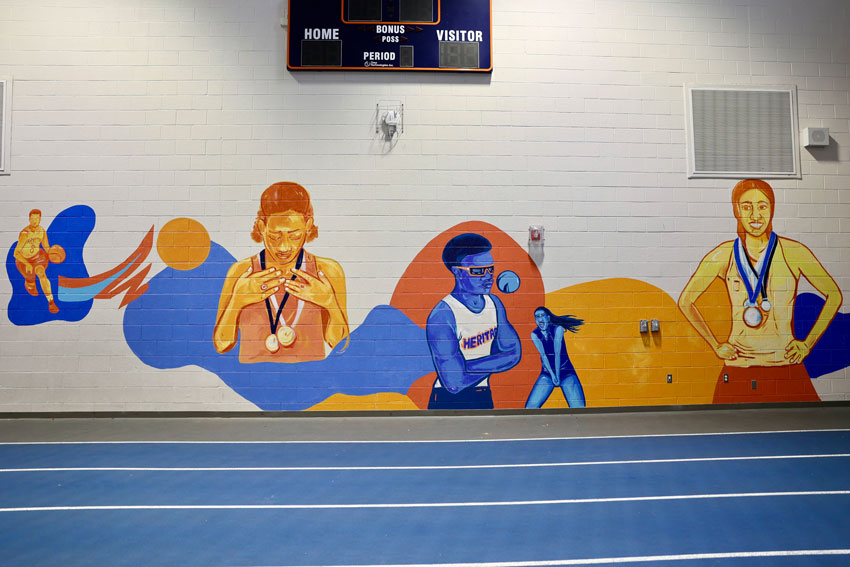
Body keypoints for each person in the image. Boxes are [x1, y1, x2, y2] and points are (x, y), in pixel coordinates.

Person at [678, 179, 842, 403]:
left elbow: (834, 295)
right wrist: (716, 345)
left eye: (762, 206)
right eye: (746, 206)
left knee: (802, 431)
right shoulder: (723, 255)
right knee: (728, 435)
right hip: (738, 367)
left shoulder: (793, 252)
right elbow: (686, 301)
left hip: (786, 366)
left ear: (772, 209)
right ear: (736, 210)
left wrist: (807, 343)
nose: (755, 215)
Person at [214, 182, 348, 363]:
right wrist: (237, 301)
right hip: (253, 381)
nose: (284, 247)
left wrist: (329, 303)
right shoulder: (241, 272)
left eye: (294, 236)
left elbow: (340, 344)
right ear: (262, 227)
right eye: (275, 236)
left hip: (310, 378)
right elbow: (222, 343)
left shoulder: (327, 271)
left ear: (308, 226)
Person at [425, 233, 522, 409]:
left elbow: (514, 354)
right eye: (477, 271)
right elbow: (454, 382)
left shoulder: (494, 303)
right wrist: (496, 360)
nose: (488, 277)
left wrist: (465, 368)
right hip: (448, 399)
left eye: (490, 269)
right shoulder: (443, 315)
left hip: (483, 393)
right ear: (457, 272)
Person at [525, 306, 585, 409]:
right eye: (537, 317)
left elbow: (557, 354)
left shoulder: (558, 329)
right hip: (547, 372)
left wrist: (557, 375)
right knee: (530, 407)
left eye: (542, 316)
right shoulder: (534, 334)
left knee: (578, 407)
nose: (540, 319)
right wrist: (553, 376)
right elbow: (543, 356)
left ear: (548, 318)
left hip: (566, 371)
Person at [14, 209, 59, 313]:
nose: (35, 221)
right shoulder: (25, 233)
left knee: (41, 274)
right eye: (33, 218)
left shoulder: (42, 231)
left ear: (40, 219)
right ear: (29, 219)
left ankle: (51, 302)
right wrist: (27, 264)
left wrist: (54, 254)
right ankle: (30, 283)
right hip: (23, 260)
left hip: (38, 258)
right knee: (31, 284)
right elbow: (16, 253)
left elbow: (46, 247)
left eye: (37, 218)